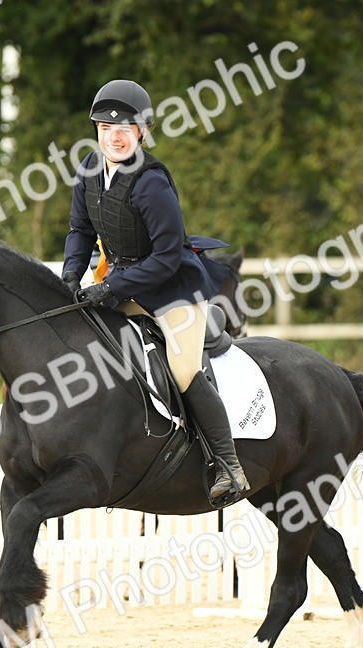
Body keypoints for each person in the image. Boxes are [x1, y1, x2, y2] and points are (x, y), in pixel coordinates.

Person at [62, 79, 249, 500]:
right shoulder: (90, 172)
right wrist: (72, 278)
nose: (116, 135)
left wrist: (109, 287)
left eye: (126, 128)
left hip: (172, 290)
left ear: (142, 132)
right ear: (96, 129)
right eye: (107, 128)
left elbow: (165, 258)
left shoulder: (151, 183)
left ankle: (229, 465)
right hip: (118, 285)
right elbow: (79, 230)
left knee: (183, 371)